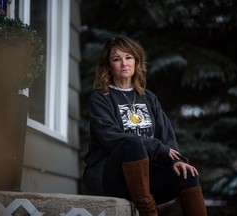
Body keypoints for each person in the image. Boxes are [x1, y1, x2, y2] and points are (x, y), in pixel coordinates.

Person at [82, 35, 208, 216]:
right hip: (109, 178)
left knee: (187, 174)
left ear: (136, 61)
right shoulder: (101, 98)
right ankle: (149, 213)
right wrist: (153, 146)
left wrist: (176, 161)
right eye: (117, 59)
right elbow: (108, 136)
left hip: (144, 181)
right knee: (133, 144)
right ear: (109, 66)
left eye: (129, 57)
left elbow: (166, 135)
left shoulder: (148, 97)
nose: (124, 63)